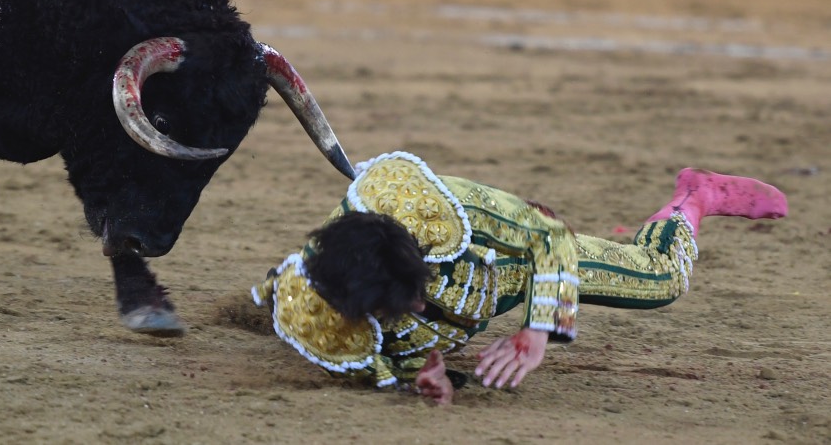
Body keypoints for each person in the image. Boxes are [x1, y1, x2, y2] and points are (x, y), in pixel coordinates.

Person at [251, 151, 787, 404]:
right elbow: (376, 366)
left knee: (661, 280)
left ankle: (696, 195)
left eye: (412, 290)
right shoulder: (322, 324)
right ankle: (274, 283)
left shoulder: (425, 206)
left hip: (501, 274)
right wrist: (424, 375)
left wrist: (540, 326)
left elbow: (545, 231)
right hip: (317, 285)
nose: (416, 307)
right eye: (397, 305)